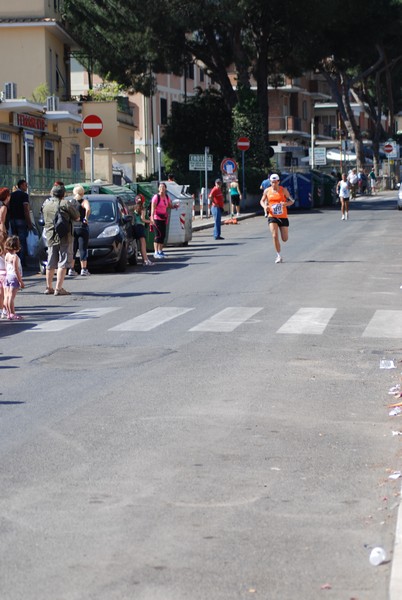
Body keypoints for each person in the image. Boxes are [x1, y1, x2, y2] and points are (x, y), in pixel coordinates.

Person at [42, 182, 79, 295]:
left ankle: (49, 287)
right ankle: (58, 288)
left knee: (51, 261)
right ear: (63, 194)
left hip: (50, 235)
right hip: (64, 235)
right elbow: (77, 216)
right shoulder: (65, 203)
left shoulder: (46, 204)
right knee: (63, 261)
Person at [260, 173, 295, 263]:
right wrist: (265, 206)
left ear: (278, 182)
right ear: (270, 182)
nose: (274, 184)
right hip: (272, 216)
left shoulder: (284, 190)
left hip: (283, 216)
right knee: (274, 236)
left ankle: (283, 237)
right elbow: (262, 201)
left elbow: (292, 200)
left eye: (275, 182)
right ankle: (278, 255)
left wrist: (286, 204)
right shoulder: (267, 191)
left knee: (284, 239)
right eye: (272, 182)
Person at [8, 179, 33, 267]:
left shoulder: (11, 195)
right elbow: (26, 210)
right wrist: (29, 223)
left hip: (12, 220)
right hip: (21, 220)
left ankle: (14, 259)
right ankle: (21, 261)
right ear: (21, 185)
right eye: (25, 185)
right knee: (22, 241)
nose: (26, 187)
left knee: (14, 241)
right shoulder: (24, 195)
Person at [68, 185, 91, 277]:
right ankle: (84, 269)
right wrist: (86, 217)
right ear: (83, 193)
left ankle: (71, 269)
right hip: (82, 227)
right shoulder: (84, 201)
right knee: (83, 248)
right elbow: (88, 209)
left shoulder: (70, 202)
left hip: (73, 227)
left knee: (73, 249)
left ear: (74, 192)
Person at [150, 182, 177, 259]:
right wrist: (152, 218)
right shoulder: (156, 197)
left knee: (163, 235)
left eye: (163, 187)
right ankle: (156, 252)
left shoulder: (166, 197)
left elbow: (169, 205)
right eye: (160, 187)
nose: (162, 188)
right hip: (156, 218)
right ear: (158, 189)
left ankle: (160, 251)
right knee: (157, 235)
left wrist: (175, 206)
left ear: (165, 189)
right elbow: (153, 209)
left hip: (163, 218)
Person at [3, 235, 24, 320]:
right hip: (14, 277)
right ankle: (12, 313)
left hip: (8, 276)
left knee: (7, 296)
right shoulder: (15, 257)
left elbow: (6, 266)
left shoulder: (7, 255)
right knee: (11, 297)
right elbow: (16, 269)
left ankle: (8, 313)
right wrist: (20, 281)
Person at [133, 194, 153, 266]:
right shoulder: (143, 209)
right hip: (140, 226)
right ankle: (145, 260)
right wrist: (150, 221)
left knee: (141, 244)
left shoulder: (135, 208)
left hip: (136, 227)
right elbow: (142, 219)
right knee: (143, 245)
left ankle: (145, 259)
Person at [0, 231, 7, 319]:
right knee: (6, 294)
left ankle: (1, 309)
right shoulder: (7, 253)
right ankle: (5, 309)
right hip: (5, 274)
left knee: (1, 294)